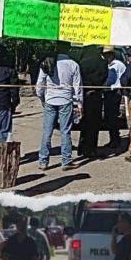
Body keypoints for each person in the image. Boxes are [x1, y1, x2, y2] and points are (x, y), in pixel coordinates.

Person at [36, 41, 82, 171]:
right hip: (66, 100)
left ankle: (43, 161)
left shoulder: (47, 62)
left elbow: (40, 84)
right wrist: (79, 103)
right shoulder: (73, 64)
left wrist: (42, 98)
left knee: (47, 131)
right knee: (65, 131)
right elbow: (77, 87)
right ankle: (66, 161)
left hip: (50, 100)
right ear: (69, 50)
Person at [77, 45, 108, 158]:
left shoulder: (82, 62)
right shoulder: (102, 62)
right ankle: (92, 149)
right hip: (97, 95)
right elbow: (104, 77)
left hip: (84, 95)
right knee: (95, 123)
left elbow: (78, 78)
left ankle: (82, 147)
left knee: (84, 122)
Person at [102, 46, 125, 150]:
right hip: (112, 93)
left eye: (106, 55)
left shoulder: (115, 65)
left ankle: (115, 140)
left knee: (112, 118)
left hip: (113, 93)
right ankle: (114, 139)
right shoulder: (115, 64)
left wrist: (100, 87)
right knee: (111, 118)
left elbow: (110, 80)